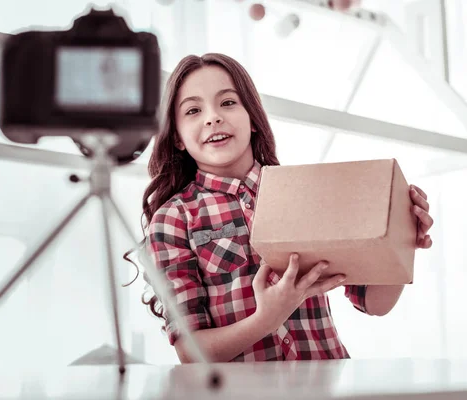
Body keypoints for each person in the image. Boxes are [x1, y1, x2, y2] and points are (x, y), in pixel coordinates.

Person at [126, 53, 434, 363]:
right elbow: (190, 352)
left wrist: (403, 239)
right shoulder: (173, 219)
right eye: (193, 110)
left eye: (229, 103)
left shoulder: (306, 191)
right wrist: (266, 319)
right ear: (177, 137)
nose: (212, 117)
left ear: (253, 118)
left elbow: (374, 303)